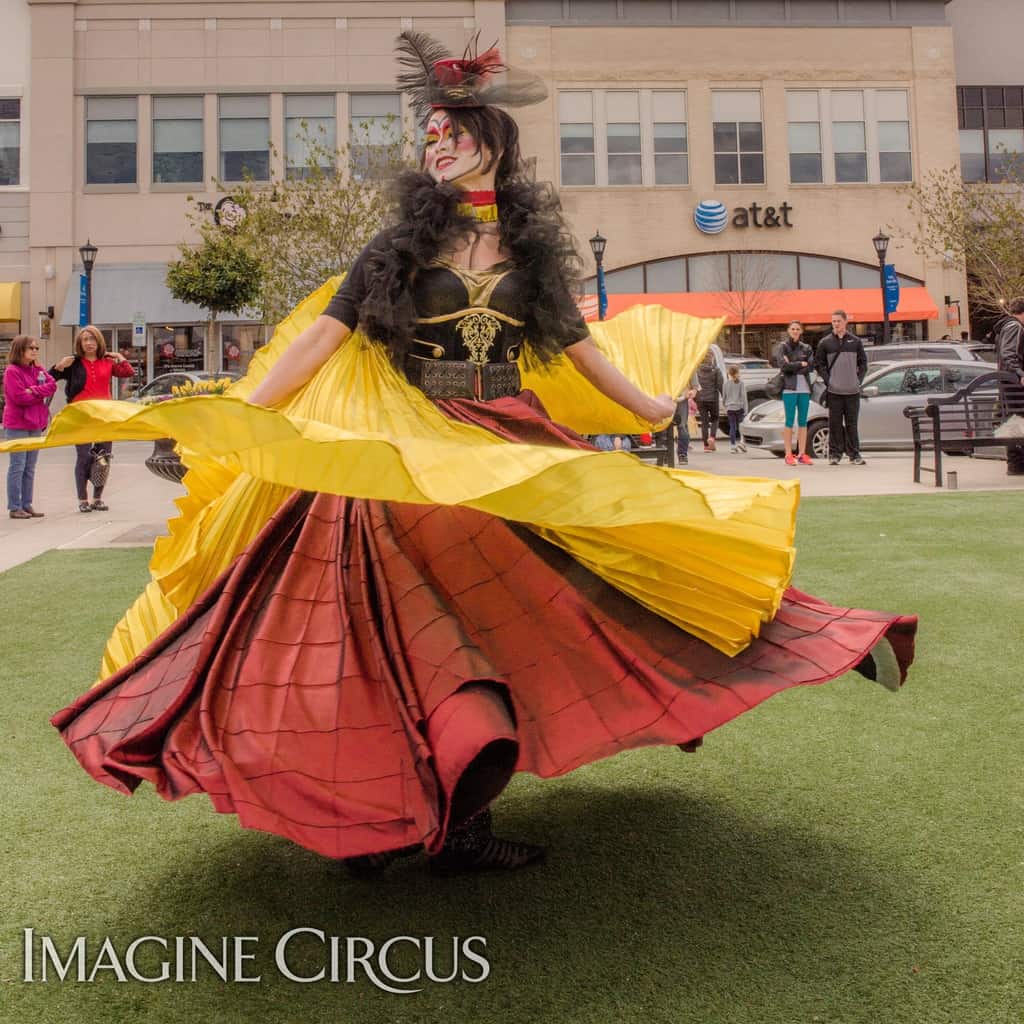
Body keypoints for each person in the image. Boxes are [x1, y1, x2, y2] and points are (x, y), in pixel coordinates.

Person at [19, 34, 916, 879]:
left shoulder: (529, 250)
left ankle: (473, 811)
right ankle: (389, 818)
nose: (437, 145)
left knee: (575, 590)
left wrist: (648, 405)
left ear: (492, 141)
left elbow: (576, 347)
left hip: (509, 442)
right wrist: (241, 414)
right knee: (398, 640)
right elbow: (324, 339)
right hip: (407, 455)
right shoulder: (397, 248)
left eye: (451, 131)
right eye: (429, 136)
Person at [49, 325, 134, 512]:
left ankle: (97, 498)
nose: (89, 343)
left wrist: (120, 357)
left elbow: (128, 372)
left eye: (92, 339)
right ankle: (82, 500)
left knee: (103, 457)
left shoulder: (107, 362)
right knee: (84, 457)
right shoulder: (74, 363)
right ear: (80, 343)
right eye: (85, 340)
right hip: (81, 417)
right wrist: (59, 366)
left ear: (99, 341)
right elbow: (50, 378)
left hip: (104, 416)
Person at [3, 335, 56, 519]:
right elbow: (19, 397)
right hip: (17, 424)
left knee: (30, 467)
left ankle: (27, 504)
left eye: (36, 348)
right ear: (20, 350)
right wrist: (38, 393)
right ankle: (14, 506)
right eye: (30, 348)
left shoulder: (38, 369)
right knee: (18, 466)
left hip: (35, 423)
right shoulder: (12, 371)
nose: (34, 351)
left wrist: (33, 390)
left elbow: (52, 385)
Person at [814, 310, 867, 466]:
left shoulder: (855, 341)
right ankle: (834, 455)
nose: (836, 324)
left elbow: (863, 364)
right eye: (833, 321)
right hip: (834, 391)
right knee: (834, 424)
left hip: (852, 391)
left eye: (838, 321)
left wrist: (858, 381)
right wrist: (829, 381)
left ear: (845, 322)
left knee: (852, 424)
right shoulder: (825, 342)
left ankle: (854, 455)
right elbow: (819, 364)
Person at [777, 321, 814, 466]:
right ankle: (788, 454)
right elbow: (783, 366)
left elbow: (810, 366)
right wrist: (800, 363)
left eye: (798, 329)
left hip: (804, 388)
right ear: (788, 330)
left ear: (801, 331)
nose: (795, 331)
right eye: (793, 328)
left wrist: (792, 364)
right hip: (789, 388)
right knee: (789, 421)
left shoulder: (807, 347)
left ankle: (802, 454)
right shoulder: (783, 347)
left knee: (803, 421)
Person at [995, 297, 1024, 475]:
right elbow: (1008, 353)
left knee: (1015, 420)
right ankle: (1016, 463)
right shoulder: (1015, 327)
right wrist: (1020, 374)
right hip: (1013, 383)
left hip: (1008, 382)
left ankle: (1015, 464)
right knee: (1018, 419)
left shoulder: (1007, 326)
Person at [695, 348, 723, 452]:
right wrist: (724, 397)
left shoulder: (697, 370)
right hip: (713, 399)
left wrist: (695, 399)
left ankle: (706, 446)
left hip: (701, 399)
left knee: (704, 422)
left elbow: (694, 385)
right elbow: (720, 384)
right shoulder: (716, 370)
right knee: (715, 419)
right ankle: (712, 437)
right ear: (711, 358)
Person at [723, 364, 747, 453]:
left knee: (732, 427)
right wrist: (746, 409)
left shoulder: (725, 384)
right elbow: (744, 397)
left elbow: (724, 397)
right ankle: (742, 443)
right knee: (742, 427)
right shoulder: (741, 383)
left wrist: (725, 407)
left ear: (729, 373)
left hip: (730, 408)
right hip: (739, 408)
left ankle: (733, 446)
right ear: (737, 372)